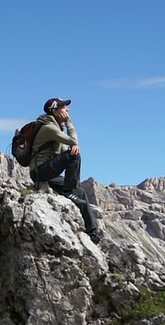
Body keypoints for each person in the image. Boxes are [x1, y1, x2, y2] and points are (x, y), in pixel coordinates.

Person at [28, 97, 101, 244]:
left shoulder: (55, 127)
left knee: (80, 193)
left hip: (49, 173)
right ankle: (69, 191)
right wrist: (69, 123)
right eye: (64, 108)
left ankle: (92, 233)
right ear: (54, 111)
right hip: (40, 171)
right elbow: (74, 141)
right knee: (75, 156)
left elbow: (65, 148)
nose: (67, 110)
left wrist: (70, 148)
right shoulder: (49, 127)